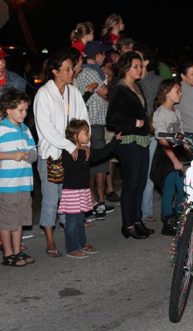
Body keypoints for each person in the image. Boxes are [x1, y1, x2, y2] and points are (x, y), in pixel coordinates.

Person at [34, 49, 90, 257]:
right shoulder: (44, 94)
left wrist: (86, 142)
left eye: (71, 68)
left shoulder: (73, 92)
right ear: (55, 71)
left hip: (73, 154)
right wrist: (69, 145)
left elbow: (83, 119)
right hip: (52, 155)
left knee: (70, 197)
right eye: (66, 69)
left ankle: (73, 238)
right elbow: (46, 128)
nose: (71, 72)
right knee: (51, 198)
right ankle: (49, 238)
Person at [106, 51, 153, 239]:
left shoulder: (137, 86)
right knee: (131, 184)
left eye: (141, 66)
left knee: (140, 183)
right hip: (128, 142)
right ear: (126, 68)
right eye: (136, 66)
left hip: (142, 140)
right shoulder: (119, 89)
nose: (140, 69)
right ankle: (128, 224)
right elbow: (111, 119)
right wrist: (134, 123)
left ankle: (137, 220)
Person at [58, 120, 120, 258]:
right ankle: (72, 248)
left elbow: (101, 154)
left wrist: (115, 141)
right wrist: (78, 149)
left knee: (80, 221)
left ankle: (81, 243)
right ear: (75, 135)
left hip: (82, 191)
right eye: (86, 133)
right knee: (72, 222)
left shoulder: (85, 151)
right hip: (72, 192)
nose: (89, 135)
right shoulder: (69, 152)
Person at [74, 41, 115, 221]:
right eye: (102, 54)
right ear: (97, 55)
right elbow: (104, 92)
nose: (104, 57)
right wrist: (109, 80)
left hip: (91, 123)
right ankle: (98, 202)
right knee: (98, 164)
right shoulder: (91, 72)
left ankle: (91, 203)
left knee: (91, 163)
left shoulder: (88, 71)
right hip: (94, 124)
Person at [0, 89, 37, 266]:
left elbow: (34, 152)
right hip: (7, 184)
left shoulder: (25, 130)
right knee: (8, 220)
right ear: (8, 109)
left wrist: (30, 155)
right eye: (20, 110)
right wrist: (11, 156)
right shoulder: (1, 128)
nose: (24, 114)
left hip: (24, 183)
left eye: (26, 110)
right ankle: (8, 254)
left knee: (20, 219)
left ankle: (17, 251)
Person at [151, 79, 190, 235]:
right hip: (167, 156)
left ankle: (179, 216)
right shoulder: (161, 113)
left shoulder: (176, 111)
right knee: (169, 191)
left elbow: (180, 134)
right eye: (177, 91)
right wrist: (174, 160)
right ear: (167, 92)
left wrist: (188, 148)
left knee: (183, 188)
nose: (180, 94)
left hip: (179, 153)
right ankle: (168, 221)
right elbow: (162, 139)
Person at [135, 43, 163, 223]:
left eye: (138, 58)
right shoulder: (131, 82)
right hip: (135, 133)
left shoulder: (155, 81)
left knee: (148, 174)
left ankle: (146, 210)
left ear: (146, 61)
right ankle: (136, 210)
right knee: (137, 173)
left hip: (152, 133)